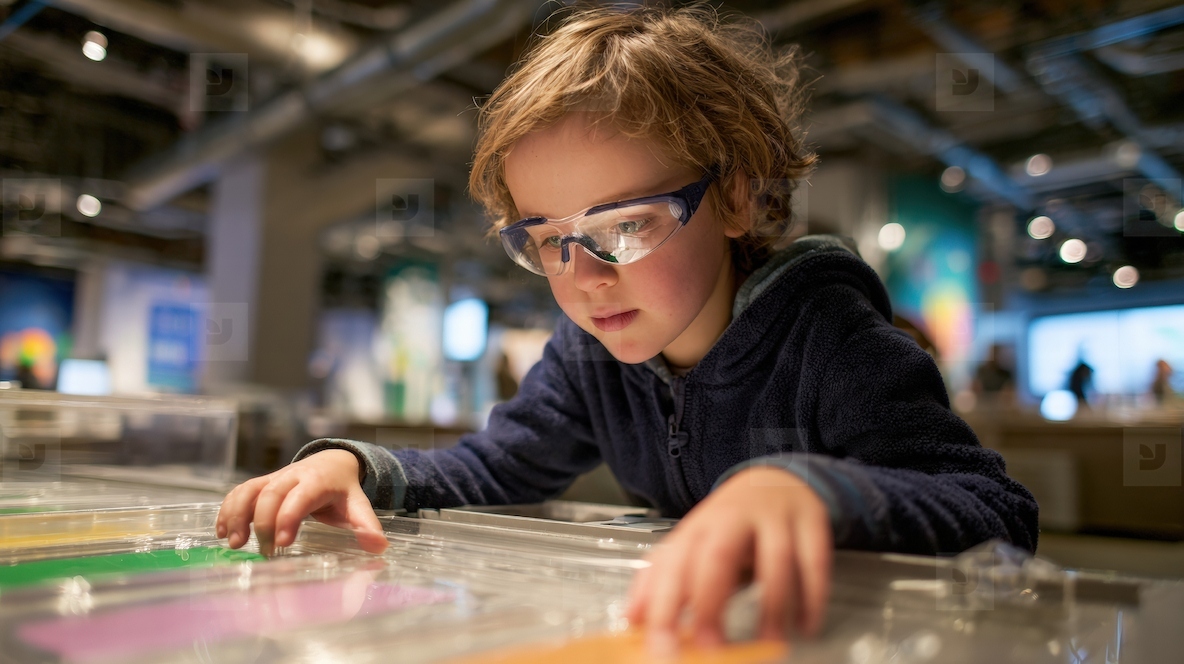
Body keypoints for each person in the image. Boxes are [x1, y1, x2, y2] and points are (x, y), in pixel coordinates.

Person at [217, 4, 1038, 655]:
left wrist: (814, 492)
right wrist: (355, 467)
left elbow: (996, 511)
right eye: (549, 240)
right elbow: (494, 466)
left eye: (627, 225)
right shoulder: (588, 357)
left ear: (736, 198)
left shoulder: (831, 339)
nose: (586, 277)